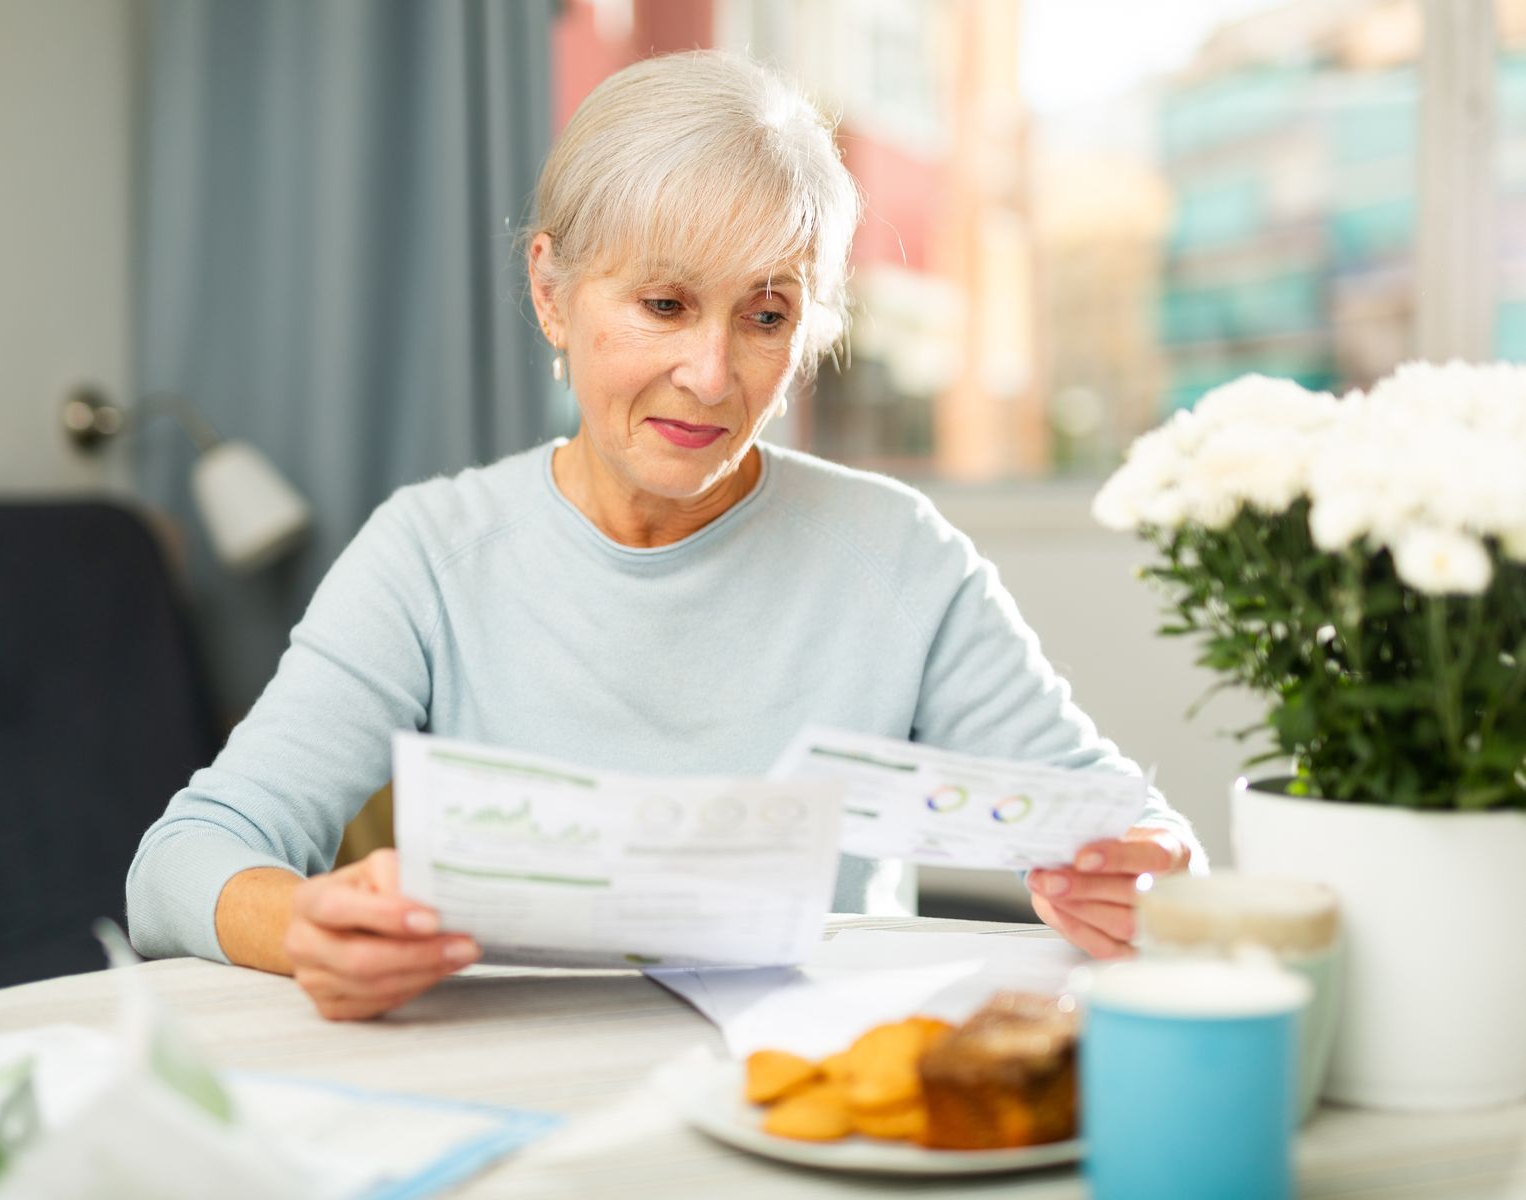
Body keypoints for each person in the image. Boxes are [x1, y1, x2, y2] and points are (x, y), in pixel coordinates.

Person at [126, 50, 1205, 1021]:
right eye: (664, 303)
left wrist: (1144, 879)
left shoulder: (898, 555)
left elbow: (1132, 830)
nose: (711, 373)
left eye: (766, 314)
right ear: (552, 291)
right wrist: (304, 924)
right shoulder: (430, 553)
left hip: (807, 1097)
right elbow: (180, 865)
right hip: (520, 1082)